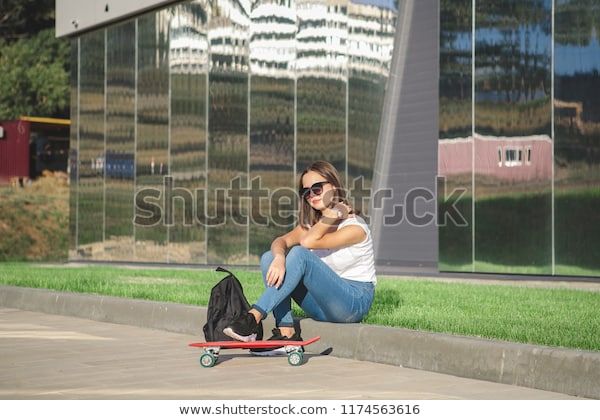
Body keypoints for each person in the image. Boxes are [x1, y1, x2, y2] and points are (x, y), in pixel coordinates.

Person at [223, 160, 377, 354]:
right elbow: (280, 241)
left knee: (300, 254)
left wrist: (334, 213)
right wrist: (279, 258)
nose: (311, 195)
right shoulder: (310, 225)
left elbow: (308, 242)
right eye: (306, 192)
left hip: (353, 303)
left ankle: (252, 317)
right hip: (322, 306)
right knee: (268, 258)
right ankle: (286, 335)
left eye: (317, 188)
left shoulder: (355, 227)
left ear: (334, 186)